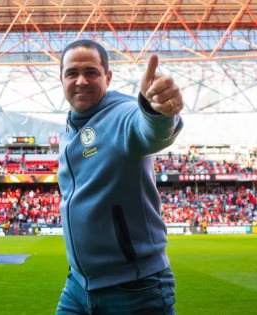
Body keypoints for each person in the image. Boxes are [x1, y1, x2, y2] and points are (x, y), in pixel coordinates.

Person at [56, 39, 184, 315]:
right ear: (61, 79)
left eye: (91, 72)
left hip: (135, 289)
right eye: (72, 73)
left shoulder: (122, 114)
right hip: (78, 286)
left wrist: (158, 112)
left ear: (108, 77)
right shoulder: (68, 128)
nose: (81, 81)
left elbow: (149, 129)